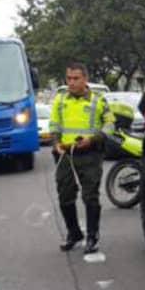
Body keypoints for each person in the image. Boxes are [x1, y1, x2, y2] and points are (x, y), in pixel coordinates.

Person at [50, 63, 115, 254]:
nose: (71, 82)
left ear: (85, 79)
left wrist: (93, 139)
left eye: (76, 78)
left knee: (90, 197)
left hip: (90, 154)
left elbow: (110, 124)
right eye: (68, 78)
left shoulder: (98, 100)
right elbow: (54, 125)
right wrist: (55, 143)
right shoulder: (60, 100)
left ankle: (92, 237)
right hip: (65, 154)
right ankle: (74, 233)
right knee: (65, 196)